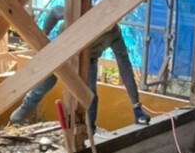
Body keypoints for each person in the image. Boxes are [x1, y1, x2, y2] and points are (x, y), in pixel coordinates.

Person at [8, 7, 151, 130]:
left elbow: (124, 66)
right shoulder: (84, 11)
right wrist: (42, 41)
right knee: (46, 83)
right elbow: (55, 11)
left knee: (90, 96)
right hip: (63, 50)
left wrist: (136, 105)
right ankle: (21, 114)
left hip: (89, 60)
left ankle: (89, 131)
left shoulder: (114, 33)